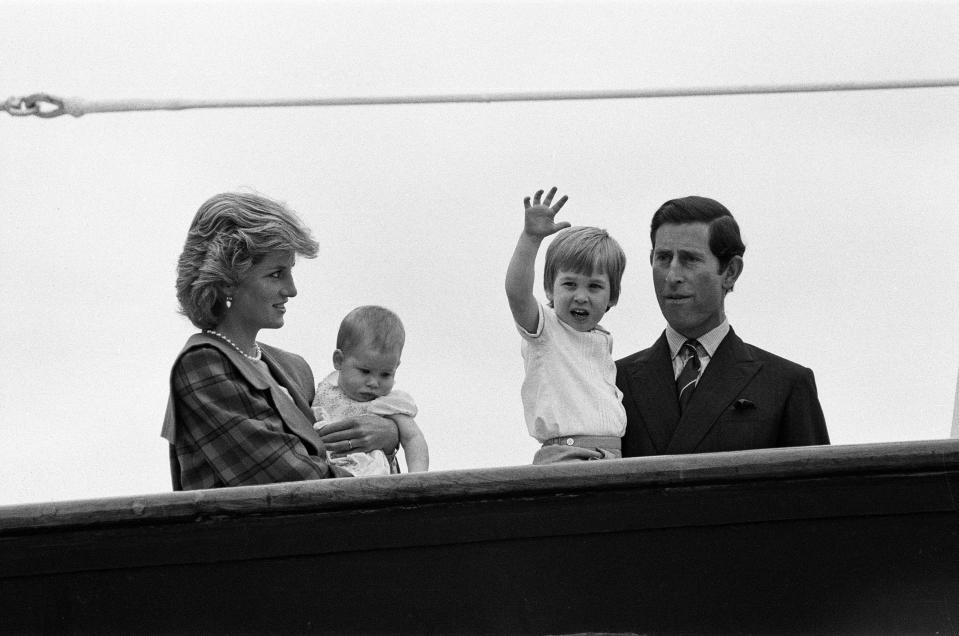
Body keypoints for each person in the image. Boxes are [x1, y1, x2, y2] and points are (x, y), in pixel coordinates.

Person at [161, 191, 399, 490]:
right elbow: (292, 483)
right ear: (227, 281)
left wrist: (389, 435)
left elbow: (344, 462)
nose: (292, 289)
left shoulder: (294, 368)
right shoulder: (202, 365)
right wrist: (377, 483)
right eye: (276, 274)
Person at [616, 195, 829, 456]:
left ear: (730, 272)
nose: (672, 276)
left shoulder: (785, 385)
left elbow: (817, 494)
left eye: (689, 259)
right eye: (662, 258)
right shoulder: (612, 382)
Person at [505, 187, 628, 464]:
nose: (581, 296)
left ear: (613, 296)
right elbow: (516, 293)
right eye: (569, 284)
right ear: (550, 288)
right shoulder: (545, 329)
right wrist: (530, 238)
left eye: (595, 286)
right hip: (566, 454)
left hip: (611, 456)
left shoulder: (602, 339)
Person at [312, 305, 429, 475]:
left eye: (386, 374)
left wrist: (417, 478)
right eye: (365, 371)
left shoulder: (388, 403)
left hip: (368, 476)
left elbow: (413, 438)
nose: (374, 383)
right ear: (339, 361)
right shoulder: (325, 388)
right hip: (321, 470)